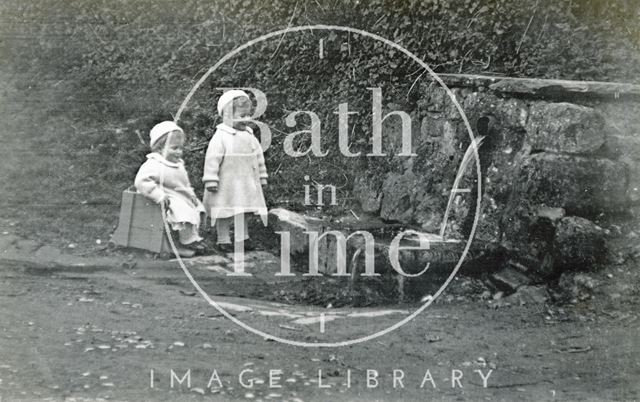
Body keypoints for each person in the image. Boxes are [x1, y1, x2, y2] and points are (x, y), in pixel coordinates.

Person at [203, 90, 268, 252]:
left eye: (247, 115)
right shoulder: (221, 137)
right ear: (226, 115)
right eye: (241, 116)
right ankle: (223, 239)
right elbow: (212, 159)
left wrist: (262, 176)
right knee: (223, 210)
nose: (246, 119)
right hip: (226, 182)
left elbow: (258, 157)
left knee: (243, 210)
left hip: (245, 182)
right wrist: (211, 179)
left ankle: (242, 238)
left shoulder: (249, 135)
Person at [134, 121, 206, 251]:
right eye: (174, 148)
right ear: (160, 148)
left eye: (180, 148)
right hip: (164, 196)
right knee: (183, 211)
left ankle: (192, 236)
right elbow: (141, 181)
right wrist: (159, 195)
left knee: (196, 208)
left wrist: (192, 196)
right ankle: (187, 240)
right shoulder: (154, 164)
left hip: (179, 195)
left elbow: (185, 184)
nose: (179, 152)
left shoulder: (178, 164)